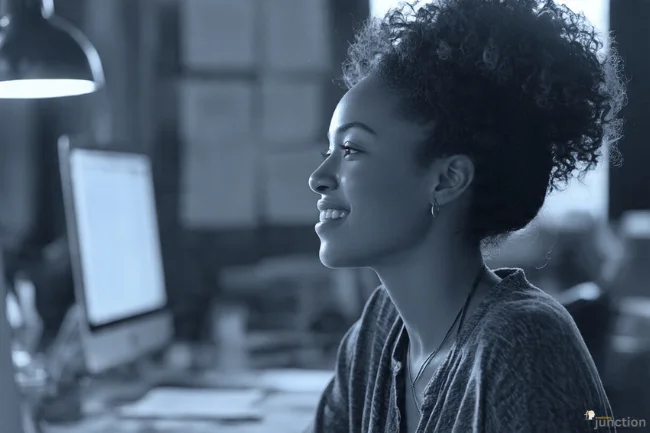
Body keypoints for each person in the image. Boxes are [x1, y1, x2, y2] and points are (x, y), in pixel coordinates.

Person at [306, 0, 626, 432]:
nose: (319, 178)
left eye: (351, 150)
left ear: (447, 179)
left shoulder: (521, 343)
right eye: (330, 150)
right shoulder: (380, 328)